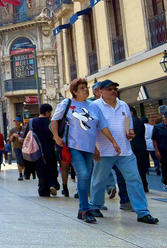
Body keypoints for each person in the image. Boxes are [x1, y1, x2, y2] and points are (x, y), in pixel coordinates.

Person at [51, 78, 121, 224]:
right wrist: (56, 136)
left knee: (87, 176)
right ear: (74, 91)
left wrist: (113, 142)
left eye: (86, 87)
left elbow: (102, 126)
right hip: (72, 146)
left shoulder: (94, 107)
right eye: (82, 88)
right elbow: (55, 120)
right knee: (83, 174)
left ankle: (82, 210)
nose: (85, 89)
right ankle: (84, 208)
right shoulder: (67, 103)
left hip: (89, 148)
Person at [88, 80, 159, 224]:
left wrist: (130, 133)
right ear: (100, 91)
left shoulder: (124, 105)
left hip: (125, 150)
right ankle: (95, 206)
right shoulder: (94, 106)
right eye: (109, 89)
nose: (113, 91)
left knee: (134, 179)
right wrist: (94, 148)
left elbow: (128, 126)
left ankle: (142, 212)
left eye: (114, 89)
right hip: (104, 151)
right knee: (99, 180)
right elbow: (90, 129)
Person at [29, 104, 58, 197]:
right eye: (50, 112)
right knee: (52, 168)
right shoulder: (51, 123)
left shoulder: (32, 122)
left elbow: (27, 135)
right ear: (47, 112)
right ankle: (53, 184)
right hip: (50, 150)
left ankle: (43, 189)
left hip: (36, 151)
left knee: (40, 170)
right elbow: (55, 136)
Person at [130, 108, 149, 193]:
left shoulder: (130, 121)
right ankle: (144, 186)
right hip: (142, 146)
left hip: (134, 147)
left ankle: (139, 186)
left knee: (135, 168)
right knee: (141, 167)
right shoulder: (140, 121)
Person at [8, 117, 25, 181]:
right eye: (15, 121)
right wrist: (13, 135)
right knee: (19, 160)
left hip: (24, 147)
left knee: (24, 160)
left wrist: (23, 140)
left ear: (20, 122)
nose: (16, 123)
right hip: (16, 147)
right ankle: (20, 174)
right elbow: (10, 139)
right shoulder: (12, 130)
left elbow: (28, 137)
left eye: (17, 121)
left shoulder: (24, 129)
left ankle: (25, 173)